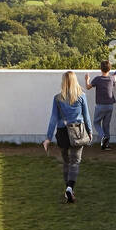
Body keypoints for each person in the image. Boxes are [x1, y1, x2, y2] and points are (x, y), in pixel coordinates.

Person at [45, 70, 94, 204]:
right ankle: (70, 187)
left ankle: (68, 189)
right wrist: (89, 131)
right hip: (77, 132)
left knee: (66, 162)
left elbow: (53, 119)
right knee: (75, 161)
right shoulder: (81, 96)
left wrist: (48, 138)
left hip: (62, 133)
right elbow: (86, 116)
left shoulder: (57, 98)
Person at [85, 61, 116, 151]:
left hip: (100, 105)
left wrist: (87, 79)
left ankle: (103, 136)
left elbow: (88, 87)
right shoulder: (111, 79)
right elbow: (114, 81)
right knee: (106, 125)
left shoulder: (97, 79)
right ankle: (106, 145)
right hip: (110, 105)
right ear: (109, 69)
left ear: (100, 69)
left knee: (96, 122)